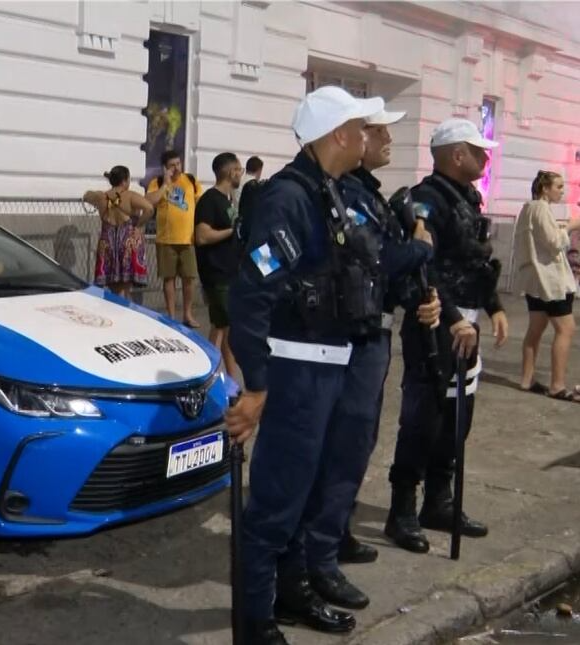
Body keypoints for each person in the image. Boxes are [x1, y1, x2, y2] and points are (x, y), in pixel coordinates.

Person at [225, 86, 389, 644]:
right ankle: (254, 623)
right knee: (274, 503)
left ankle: (292, 594)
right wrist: (257, 382)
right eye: (361, 129)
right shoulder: (289, 198)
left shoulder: (330, 192)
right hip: (296, 371)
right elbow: (251, 293)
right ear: (338, 134)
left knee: (305, 493)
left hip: (330, 368)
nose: (368, 138)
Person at [384, 118, 509, 554]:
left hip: (466, 321)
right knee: (425, 416)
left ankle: (439, 500)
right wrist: (454, 316)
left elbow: (475, 261)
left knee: (459, 415)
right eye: (479, 151)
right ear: (457, 154)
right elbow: (425, 267)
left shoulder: (466, 197)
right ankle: (402, 509)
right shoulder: (425, 201)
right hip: (436, 322)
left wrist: (492, 306)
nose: (485, 157)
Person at [337, 108, 442, 566]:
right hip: (345, 337)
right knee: (343, 439)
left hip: (373, 333)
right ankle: (324, 539)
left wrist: (424, 300)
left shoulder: (371, 195)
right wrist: (420, 245)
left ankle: (334, 529)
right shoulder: (342, 193)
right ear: (352, 137)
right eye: (377, 129)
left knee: (360, 439)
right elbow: (377, 256)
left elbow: (389, 275)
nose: (387, 137)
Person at [513, 170, 580, 400]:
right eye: (559, 187)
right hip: (550, 281)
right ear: (545, 188)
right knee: (566, 329)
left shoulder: (528, 209)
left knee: (536, 329)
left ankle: (526, 379)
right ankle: (557, 385)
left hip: (536, 281)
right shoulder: (540, 208)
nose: (562, 191)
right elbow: (553, 242)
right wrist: (571, 227)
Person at [194, 152, 244, 376]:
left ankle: (232, 382)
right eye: (239, 169)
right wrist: (233, 231)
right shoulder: (209, 200)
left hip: (230, 272)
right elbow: (202, 236)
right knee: (220, 327)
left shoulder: (228, 200)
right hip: (217, 274)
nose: (241, 174)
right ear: (230, 171)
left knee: (227, 329)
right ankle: (207, 374)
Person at [146, 150, 204, 327]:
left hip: (188, 239)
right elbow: (150, 201)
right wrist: (166, 184)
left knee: (189, 278)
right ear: (165, 167)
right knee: (168, 278)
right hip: (166, 239)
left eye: (178, 164)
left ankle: (187, 314)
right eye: (172, 165)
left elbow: (201, 204)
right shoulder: (157, 182)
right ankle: (171, 315)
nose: (176, 168)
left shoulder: (191, 181)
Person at [84, 166, 155, 299]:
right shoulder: (130, 196)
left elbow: (87, 195)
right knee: (125, 288)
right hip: (126, 242)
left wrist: (99, 194)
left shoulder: (101, 196)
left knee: (113, 287)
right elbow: (149, 209)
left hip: (107, 243)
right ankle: (122, 313)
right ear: (124, 181)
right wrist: (138, 226)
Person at [238, 155, 266, 220]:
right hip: (248, 219)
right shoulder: (255, 186)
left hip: (235, 218)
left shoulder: (237, 182)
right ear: (259, 170)